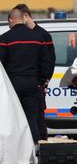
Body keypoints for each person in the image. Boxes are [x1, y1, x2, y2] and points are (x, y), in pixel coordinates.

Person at [0, 9, 54, 144]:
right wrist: (40, 80)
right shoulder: (37, 38)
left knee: (12, 121)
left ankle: (16, 153)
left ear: (10, 20)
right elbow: (45, 62)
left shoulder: (4, 39)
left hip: (12, 85)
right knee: (32, 119)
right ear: (23, 19)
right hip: (32, 84)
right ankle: (35, 153)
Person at [13, 4, 56, 141]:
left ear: (25, 16)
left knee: (37, 116)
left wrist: (44, 80)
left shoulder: (42, 35)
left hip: (37, 83)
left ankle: (40, 144)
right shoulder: (26, 35)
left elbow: (50, 60)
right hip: (29, 82)